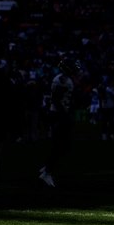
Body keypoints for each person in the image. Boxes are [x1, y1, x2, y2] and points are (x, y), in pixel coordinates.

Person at [38, 57, 81, 187]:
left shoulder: (64, 79)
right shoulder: (63, 80)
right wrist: (65, 115)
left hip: (59, 114)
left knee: (61, 145)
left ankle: (46, 168)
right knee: (61, 145)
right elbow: (57, 99)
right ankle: (47, 172)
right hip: (59, 115)